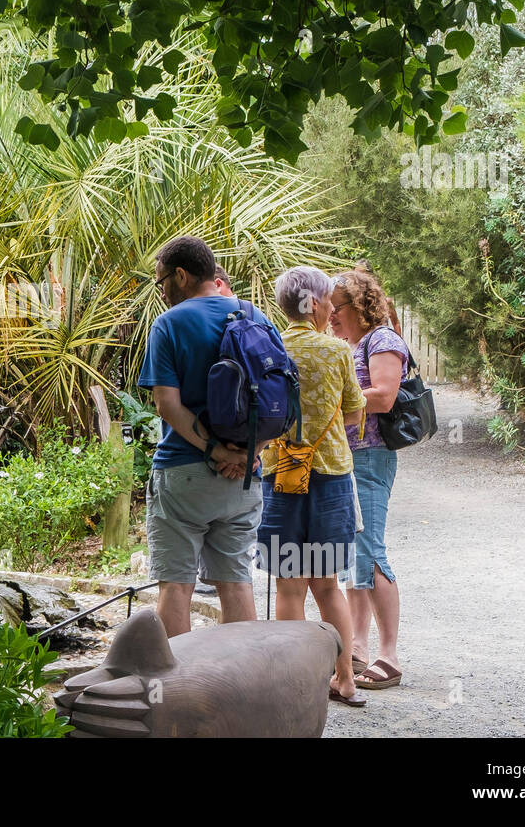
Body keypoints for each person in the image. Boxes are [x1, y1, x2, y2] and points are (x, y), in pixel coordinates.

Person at [137, 236, 282, 636]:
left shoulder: (169, 324)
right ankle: (242, 690)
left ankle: (180, 692)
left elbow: (167, 405)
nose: (161, 290)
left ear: (180, 275)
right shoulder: (255, 314)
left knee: (176, 584)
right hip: (244, 479)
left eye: (161, 280)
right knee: (236, 580)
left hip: (184, 473)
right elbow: (280, 400)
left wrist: (215, 450)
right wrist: (249, 453)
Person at [255, 267, 368, 707]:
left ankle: (291, 686)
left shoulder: (267, 349)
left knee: (289, 586)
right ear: (316, 304)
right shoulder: (337, 351)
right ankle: (345, 679)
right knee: (327, 584)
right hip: (330, 480)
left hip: (280, 477)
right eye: (328, 301)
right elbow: (356, 412)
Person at [330, 268, 408, 690]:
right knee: (354, 553)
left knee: (372, 551)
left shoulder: (383, 340)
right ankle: (357, 648)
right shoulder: (353, 344)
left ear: (358, 305)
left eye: (336, 307)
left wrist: (329, 405)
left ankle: (389, 655)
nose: (329, 316)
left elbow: (385, 394)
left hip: (370, 458)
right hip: (347, 458)